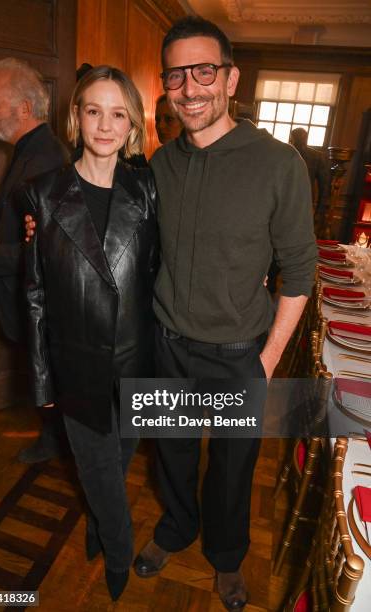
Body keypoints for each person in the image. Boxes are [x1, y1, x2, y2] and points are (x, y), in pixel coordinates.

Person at [132, 17, 317, 611]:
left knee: (233, 469)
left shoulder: (278, 163)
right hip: (167, 343)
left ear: (231, 78)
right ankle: (177, 528)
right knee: (173, 453)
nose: (190, 88)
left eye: (204, 71)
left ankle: (228, 557)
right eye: (177, 75)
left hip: (240, 351)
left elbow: (301, 271)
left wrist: (265, 362)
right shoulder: (160, 164)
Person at [20, 65, 157, 601]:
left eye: (117, 113)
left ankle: (100, 527)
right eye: (93, 110)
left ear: (132, 125)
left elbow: (158, 274)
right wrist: (41, 384)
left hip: (138, 367)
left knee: (113, 472)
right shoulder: (43, 195)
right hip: (77, 371)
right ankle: (119, 553)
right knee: (99, 472)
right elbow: (33, 296)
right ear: (76, 116)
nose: (105, 125)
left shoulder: (145, 189)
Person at [0, 57, 68, 464]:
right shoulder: (33, 150)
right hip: (29, 299)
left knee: (48, 376)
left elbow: (45, 253)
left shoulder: (45, 158)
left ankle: (56, 441)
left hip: (38, 301)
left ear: (23, 109)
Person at [290, 127, 330, 225]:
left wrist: (319, 211)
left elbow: (324, 187)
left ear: (292, 138)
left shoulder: (316, 156)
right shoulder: (317, 156)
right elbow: (324, 187)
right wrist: (319, 211)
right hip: (304, 201)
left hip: (302, 202)